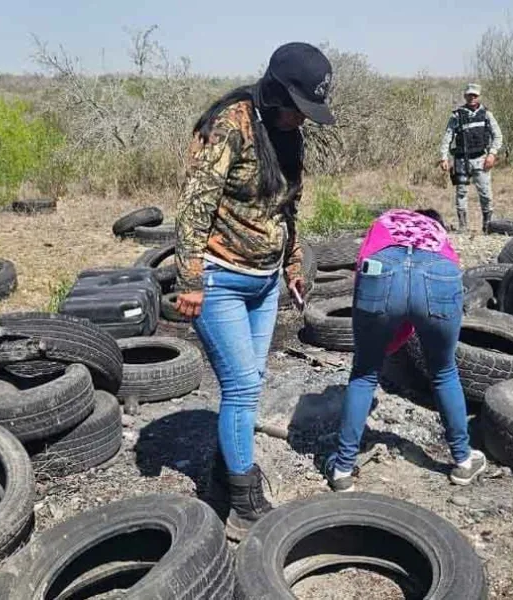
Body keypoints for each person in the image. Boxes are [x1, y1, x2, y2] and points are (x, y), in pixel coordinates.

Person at [174, 42, 335, 540]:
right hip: (220, 277)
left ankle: (225, 476)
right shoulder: (231, 125)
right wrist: (190, 279)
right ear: (274, 92)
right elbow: (195, 205)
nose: (301, 120)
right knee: (242, 386)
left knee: (251, 380)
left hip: (265, 283)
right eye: (297, 108)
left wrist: (292, 262)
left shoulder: (290, 137)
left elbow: (287, 208)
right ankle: (243, 503)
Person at [324, 208, 487, 492]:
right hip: (440, 272)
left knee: (364, 373)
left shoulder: (387, 219)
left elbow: (363, 268)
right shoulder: (438, 232)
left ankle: (342, 469)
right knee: (444, 371)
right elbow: (424, 291)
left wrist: (381, 344)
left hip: (381, 269)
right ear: (434, 220)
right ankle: (462, 460)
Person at [439, 83, 503, 232]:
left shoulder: (486, 114)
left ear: (478, 96)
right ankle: (463, 226)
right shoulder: (456, 115)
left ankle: (487, 226)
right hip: (461, 161)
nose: (472, 98)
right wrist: (443, 157)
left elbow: (498, 135)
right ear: (465, 96)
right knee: (461, 193)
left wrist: (492, 154)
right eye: (469, 95)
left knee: (486, 194)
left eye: (474, 95)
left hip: (481, 159)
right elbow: (447, 137)